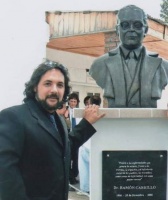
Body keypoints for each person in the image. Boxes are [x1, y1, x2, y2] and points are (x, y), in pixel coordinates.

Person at [0, 60, 105, 200]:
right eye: (48, 83)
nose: (54, 90)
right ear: (35, 87)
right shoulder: (13, 117)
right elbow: (5, 176)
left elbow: (63, 148)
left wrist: (86, 123)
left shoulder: (57, 119)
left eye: (60, 85)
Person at [90, 5, 168, 108]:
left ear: (146, 30)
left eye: (137, 25)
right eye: (125, 25)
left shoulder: (163, 65)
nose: (131, 30)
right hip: (117, 123)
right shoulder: (99, 65)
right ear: (117, 29)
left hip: (147, 123)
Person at [78, 95, 102, 195]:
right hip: (98, 144)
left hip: (86, 144)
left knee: (84, 168)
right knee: (97, 169)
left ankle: (85, 187)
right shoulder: (104, 112)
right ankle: (97, 188)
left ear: (89, 102)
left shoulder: (86, 112)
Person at [65, 93, 80, 184]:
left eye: (75, 101)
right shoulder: (65, 110)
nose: (73, 103)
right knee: (69, 157)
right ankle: (70, 177)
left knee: (76, 157)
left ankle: (74, 175)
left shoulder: (79, 111)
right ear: (69, 101)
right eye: (71, 101)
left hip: (77, 136)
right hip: (68, 135)